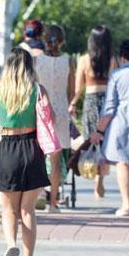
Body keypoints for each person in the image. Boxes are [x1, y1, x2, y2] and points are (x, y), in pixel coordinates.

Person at [0, 47, 51, 256]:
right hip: (32, 148)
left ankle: (10, 243)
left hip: (8, 148)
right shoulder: (38, 90)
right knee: (28, 211)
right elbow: (47, 119)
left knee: (9, 209)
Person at [89, 39, 129, 216]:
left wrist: (100, 131)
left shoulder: (117, 76)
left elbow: (109, 108)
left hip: (122, 125)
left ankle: (126, 204)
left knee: (123, 163)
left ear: (122, 56)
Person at [70, 25, 117, 199]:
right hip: (107, 101)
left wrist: (73, 103)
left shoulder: (83, 60)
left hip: (90, 102)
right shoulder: (113, 60)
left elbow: (78, 88)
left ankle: (96, 175)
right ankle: (100, 180)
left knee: (92, 141)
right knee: (105, 143)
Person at [33, 24, 74, 212]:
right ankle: (53, 203)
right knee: (57, 160)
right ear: (62, 41)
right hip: (61, 111)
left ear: (43, 39)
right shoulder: (69, 61)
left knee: (39, 155)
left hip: (41, 109)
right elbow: (71, 91)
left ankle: (39, 193)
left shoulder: (36, 61)